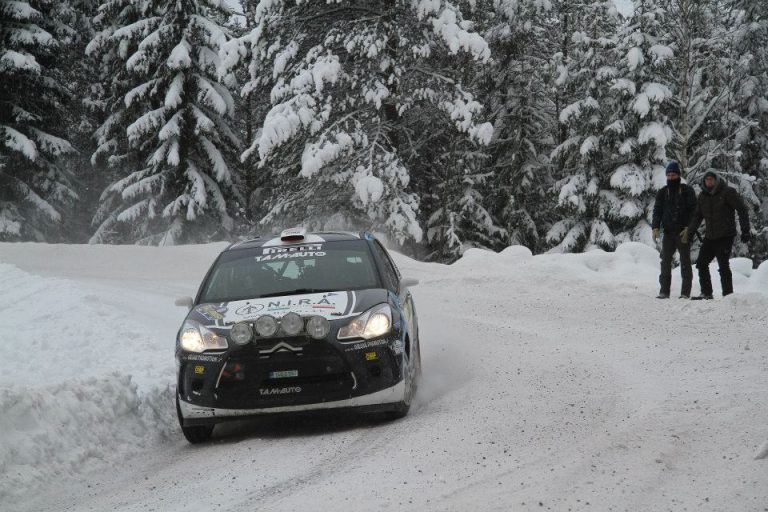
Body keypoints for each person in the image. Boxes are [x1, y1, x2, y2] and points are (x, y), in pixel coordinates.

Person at [686, 171, 751, 299]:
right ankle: (706, 293)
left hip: (725, 235)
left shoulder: (727, 192)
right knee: (701, 263)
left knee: (723, 265)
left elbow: (742, 209)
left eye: (711, 179)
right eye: (707, 180)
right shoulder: (702, 197)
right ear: (704, 182)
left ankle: (728, 295)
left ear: (716, 180)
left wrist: (745, 230)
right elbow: (697, 217)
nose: (709, 182)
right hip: (710, 236)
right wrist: (690, 232)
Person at [651, 161, 697, 299]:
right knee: (665, 262)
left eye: (674, 174)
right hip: (669, 233)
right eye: (669, 175)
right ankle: (664, 291)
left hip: (683, 233)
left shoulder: (687, 190)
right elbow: (657, 211)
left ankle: (685, 292)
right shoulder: (663, 192)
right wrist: (655, 227)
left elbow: (694, 211)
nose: (671, 177)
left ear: (678, 175)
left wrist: (689, 228)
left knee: (685, 262)